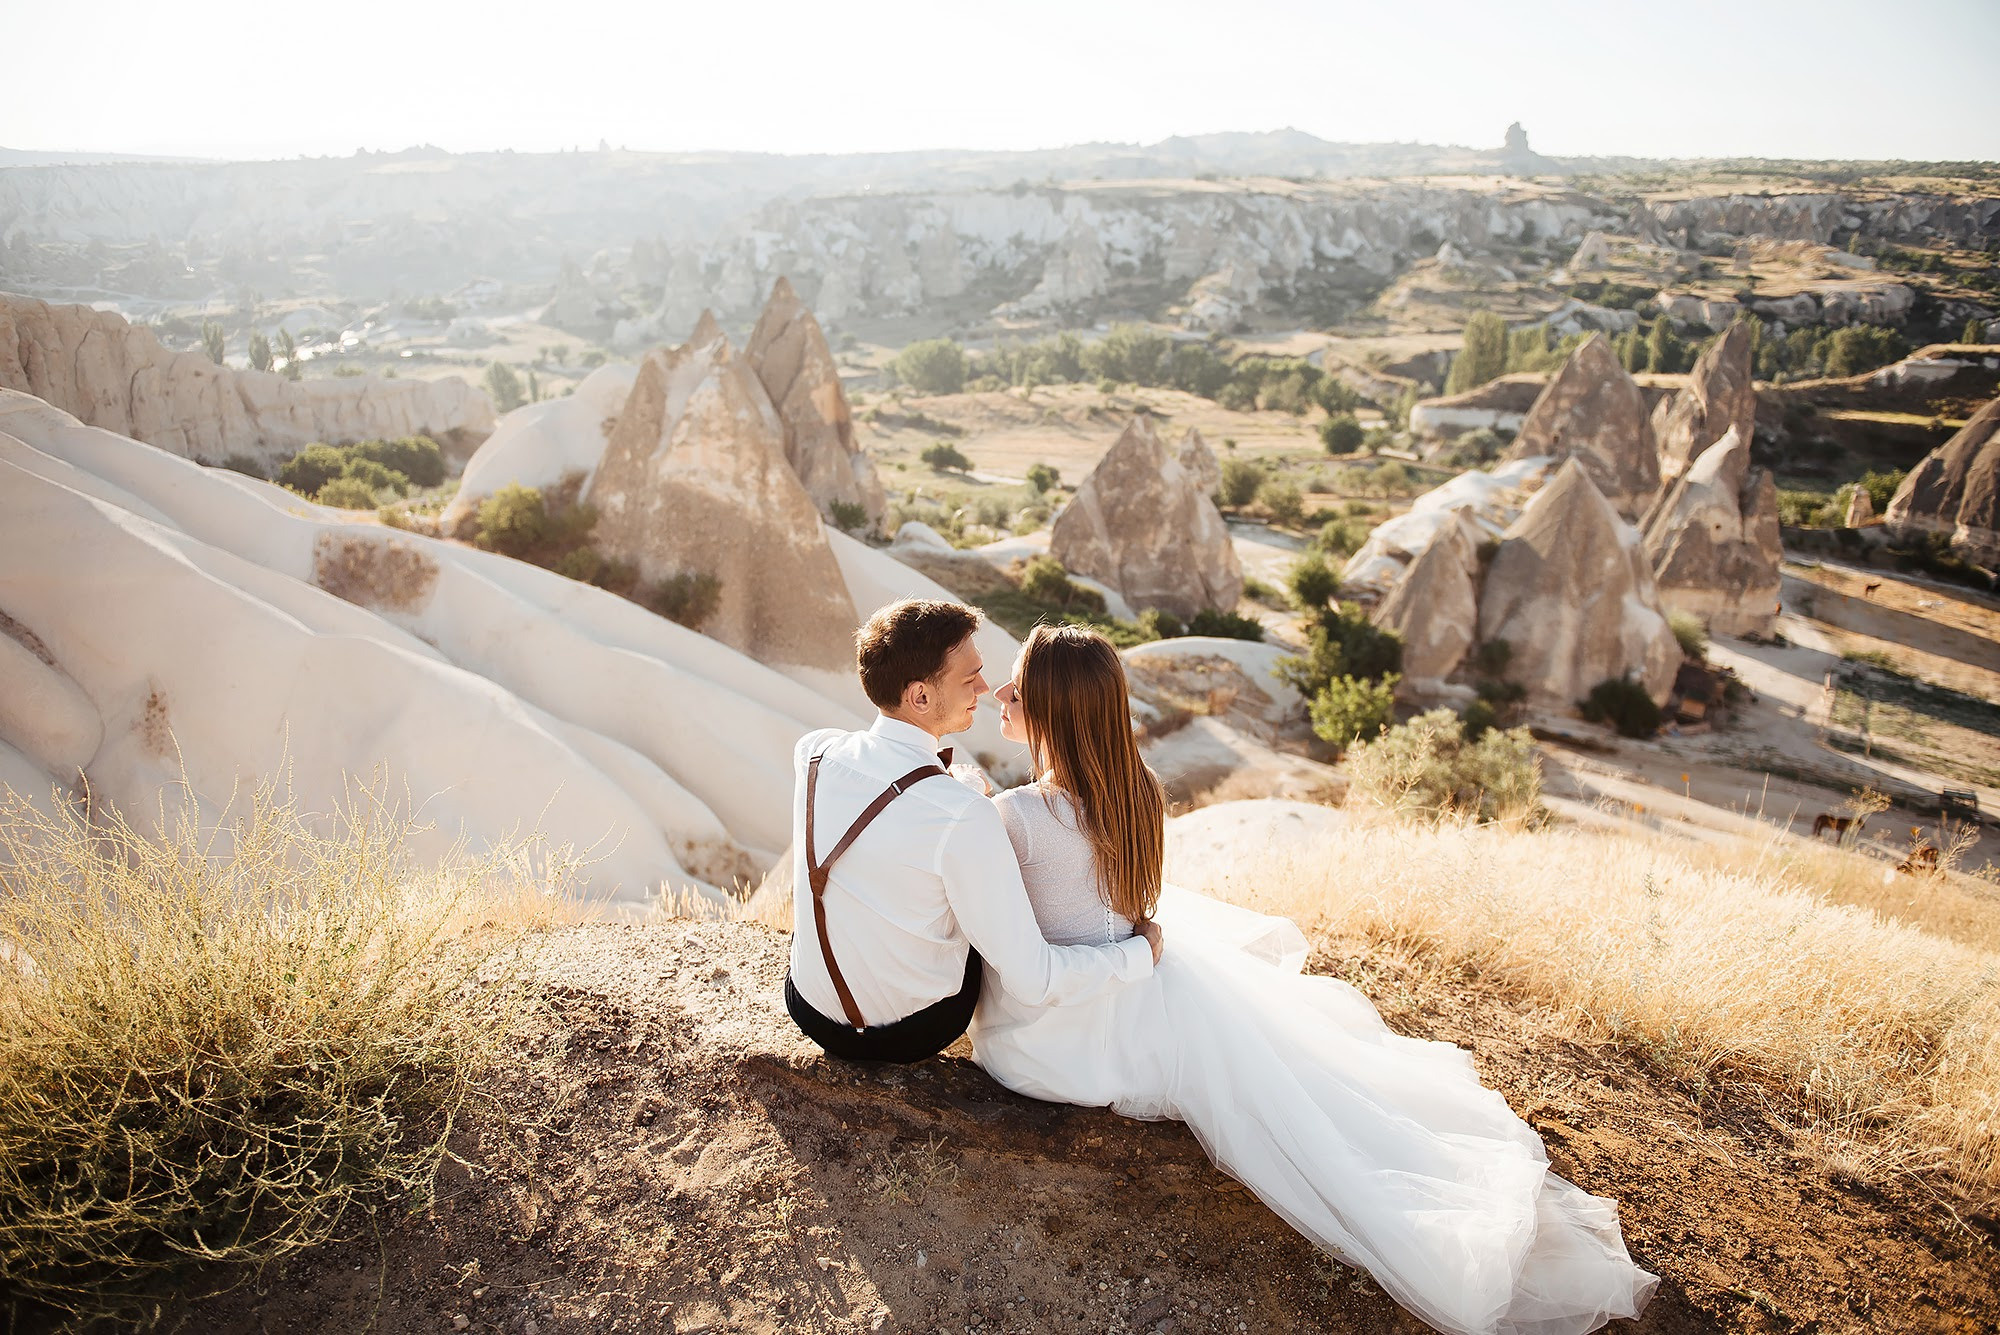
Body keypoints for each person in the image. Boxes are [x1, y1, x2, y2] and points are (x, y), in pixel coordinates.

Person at [970, 623, 1658, 1335]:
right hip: (1135, 997)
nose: (998, 692)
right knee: (1292, 1086)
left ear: (1053, 708)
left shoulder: (1011, 816)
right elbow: (1119, 905)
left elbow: (1017, 930)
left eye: (1016, 685)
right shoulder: (1140, 789)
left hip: (1060, 1045)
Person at [783, 599, 1163, 1065]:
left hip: (807, 1006)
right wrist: (1138, 953)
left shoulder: (814, 753)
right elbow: (1033, 977)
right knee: (969, 896)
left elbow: (897, 808)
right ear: (920, 697)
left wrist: (953, 787)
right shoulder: (965, 815)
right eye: (970, 678)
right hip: (911, 1034)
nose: (986, 688)